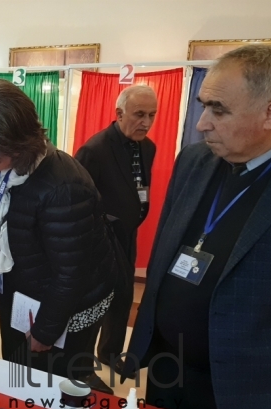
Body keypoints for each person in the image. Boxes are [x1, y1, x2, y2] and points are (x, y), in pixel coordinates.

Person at [123, 45, 271, 409]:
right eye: (203, 106)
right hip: (167, 368)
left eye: (219, 110)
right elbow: (166, 247)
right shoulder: (194, 161)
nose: (201, 124)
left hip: (247, 389)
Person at [0, 79, 117, 393]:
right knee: (20, 374)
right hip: (28, 292)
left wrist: (46, 330)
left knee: (57, 385)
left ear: (16, 145)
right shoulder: (11, 171)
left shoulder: (62, 188)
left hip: (67, 306)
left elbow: (71, 274)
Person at [75, 85, 157, 378]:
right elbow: (77, 200)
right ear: (119, 114)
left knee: (123, 296)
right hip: (99, 240)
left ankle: (109, 353)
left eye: (151, 115)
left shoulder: (148, 147)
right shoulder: (94, 150)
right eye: (139, 115)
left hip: (127, 233)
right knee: (95, 300)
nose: (146, 122)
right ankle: (82, 366)